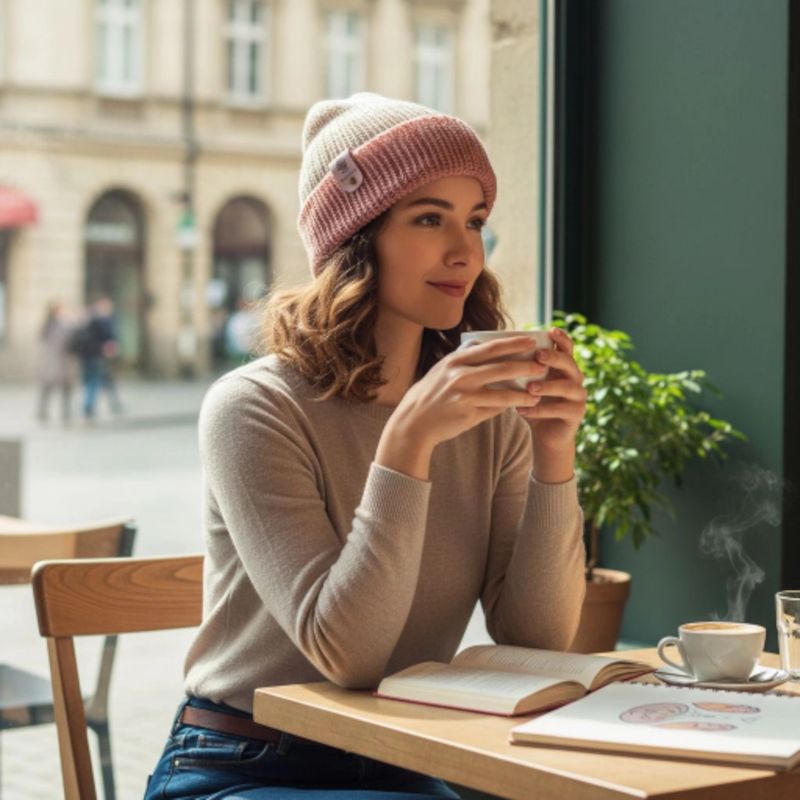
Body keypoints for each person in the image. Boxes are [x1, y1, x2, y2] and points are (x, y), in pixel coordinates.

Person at [145, 93, 588, 799]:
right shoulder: (254, 407)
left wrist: (554, 458)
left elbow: (533, 642)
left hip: (404, 761)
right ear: (356, 239)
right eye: (428, 218)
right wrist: (406, 444)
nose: (464, 251)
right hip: (244, 764)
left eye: (475, 221)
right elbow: (347, 654)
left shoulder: (489, 416)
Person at [79, 296, 122, 419]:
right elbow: (110, 339)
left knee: (97, 381)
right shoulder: (103, 322)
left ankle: (92, 405)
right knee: (97, 381)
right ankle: (91, 405)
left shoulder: (87, 321)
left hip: (89, 356)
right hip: (97, 357)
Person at [36, 301, 76, 424]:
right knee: (62, 387)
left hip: (54, 361)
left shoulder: (49, 324)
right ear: (55, 311)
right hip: (58, 361)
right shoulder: (57, 324)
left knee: (50, 387)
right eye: (61, 309)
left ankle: (47, 411)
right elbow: (64, 341)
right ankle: (64, 413)